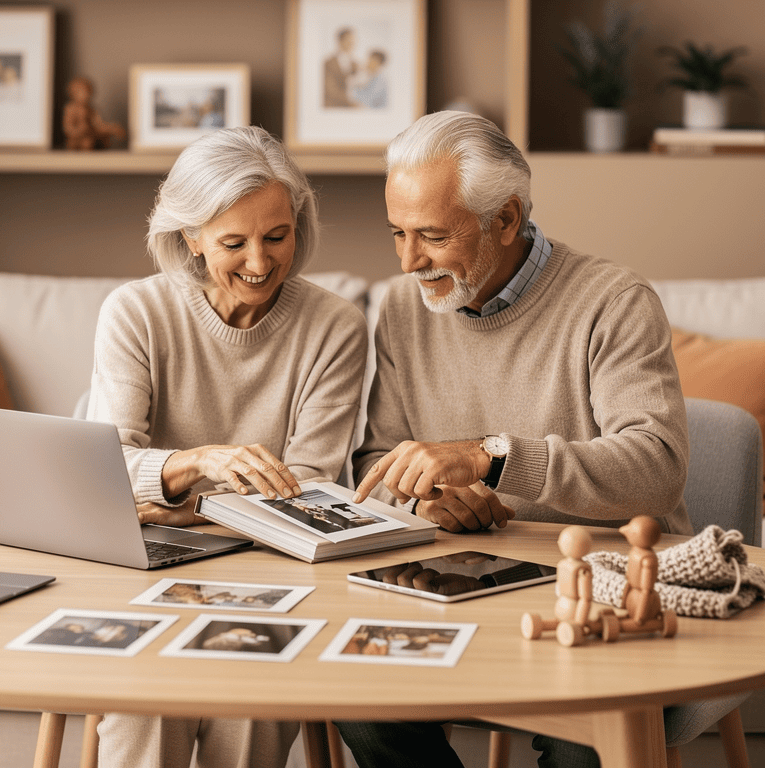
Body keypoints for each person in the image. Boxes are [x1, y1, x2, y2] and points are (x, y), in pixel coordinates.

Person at [333, 110, 693, 768]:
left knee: (582, 745)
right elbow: (375, 461)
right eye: (397, 234)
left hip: (600, 596)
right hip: (458, 595)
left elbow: (658, 467)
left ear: (505, 218)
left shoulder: (613, 302)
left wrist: (491, 458)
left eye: (432, 236)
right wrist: (425, 501)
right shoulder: (402, 308)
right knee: (362, 703)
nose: (410, 261)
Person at [87, 125, 368, 768]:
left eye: (278, 236)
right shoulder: (135, 313)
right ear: (191, 238)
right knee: (142, 706)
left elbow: (310, 490)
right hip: (146, 566)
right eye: (233, 243)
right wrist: (201, 460)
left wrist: (170, 499)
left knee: (250, 704)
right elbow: (102, 473)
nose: (261, 264)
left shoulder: (335, 327)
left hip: (269, 573)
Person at [323, 27, 359, 107]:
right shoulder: (328, 63)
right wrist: (351, 103)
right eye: (349, 40)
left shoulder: (356, 64)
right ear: (340, 41)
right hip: (332, 107)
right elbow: (330, 90)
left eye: (353, 40)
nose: (352, 43)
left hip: (351, 110)